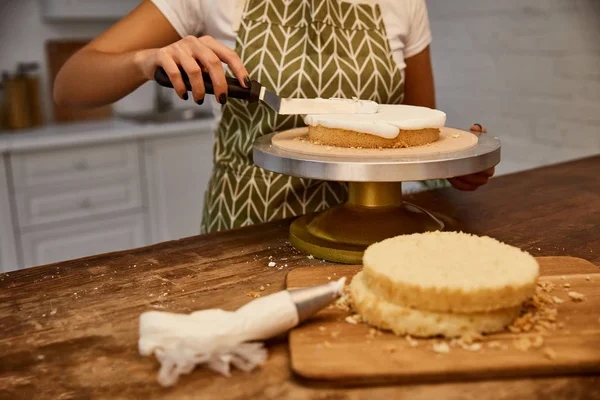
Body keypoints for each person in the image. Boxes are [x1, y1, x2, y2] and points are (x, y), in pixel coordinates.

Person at [54, 0, 495, 234]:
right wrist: (145, 59)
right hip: (249, 228)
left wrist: (456, 166)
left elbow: (423, 131)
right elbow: (70, 85)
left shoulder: (401, 3)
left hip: (376, 225)